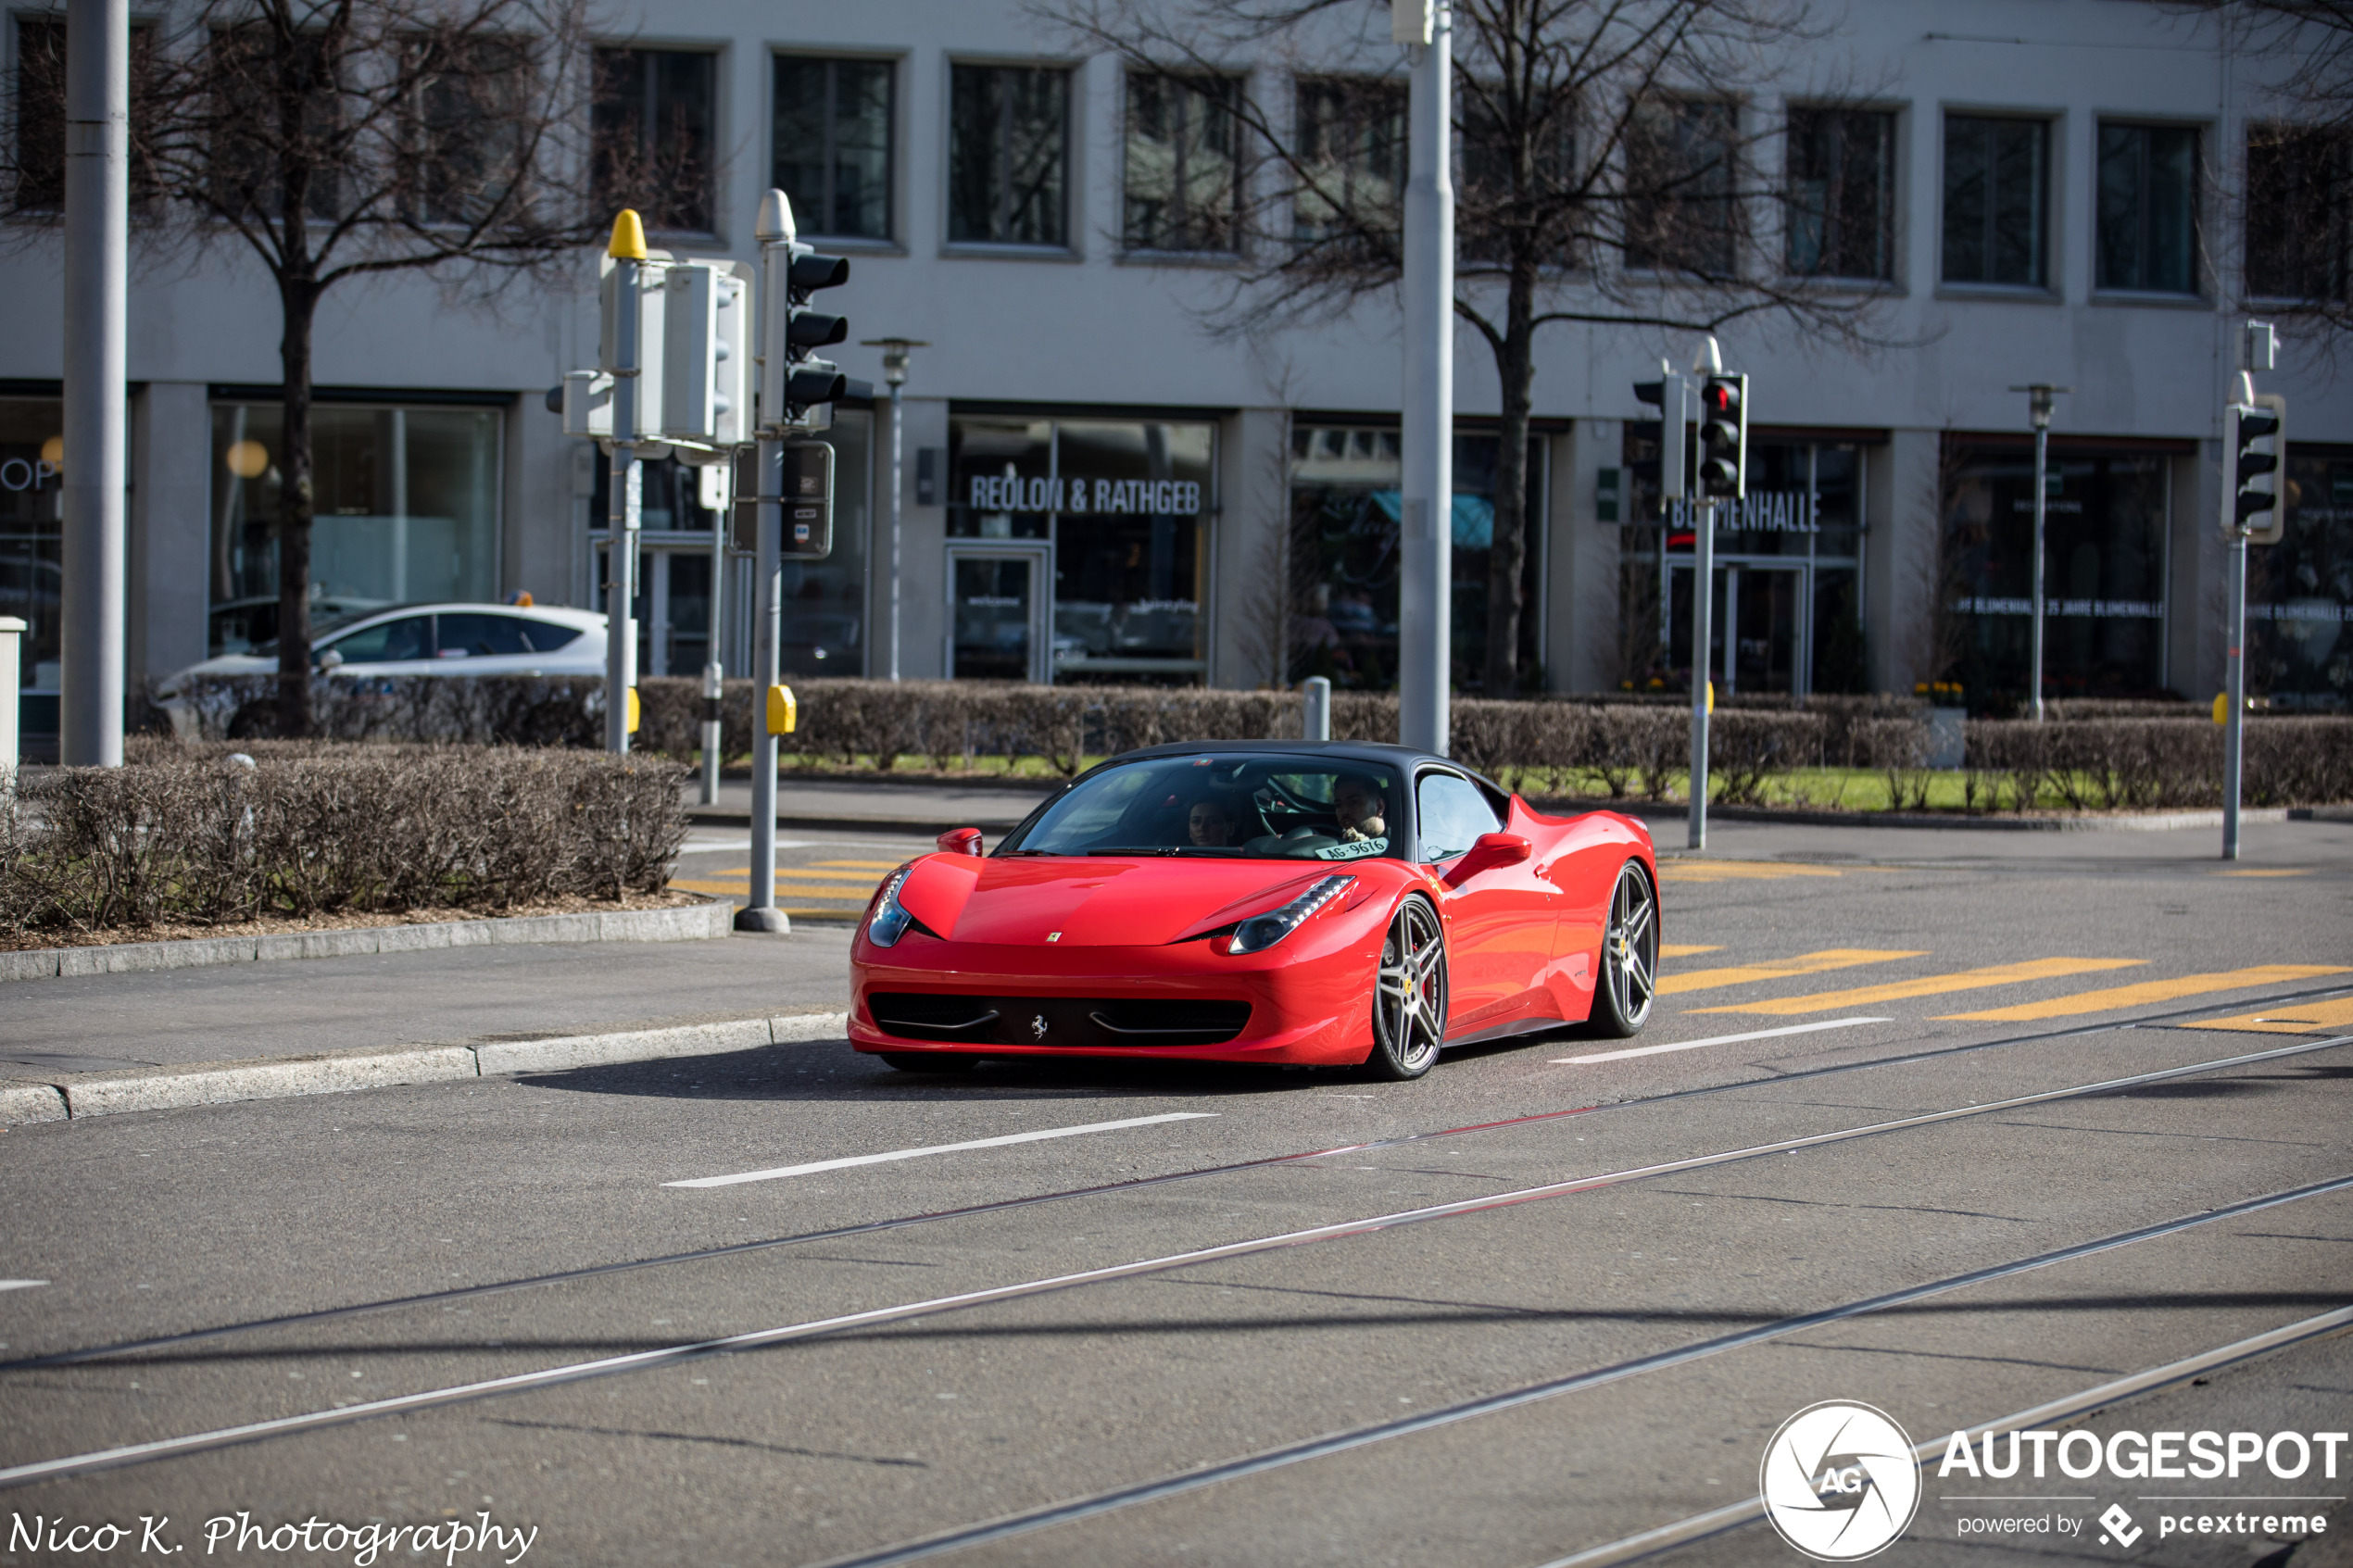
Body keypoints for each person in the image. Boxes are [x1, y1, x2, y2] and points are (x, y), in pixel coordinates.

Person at [1332, 774, 1388, 842]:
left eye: (1353, 802)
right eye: (1338, 805)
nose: (1344, 811)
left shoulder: (1399, 842)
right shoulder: (1332, 841)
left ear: (1379, 807)